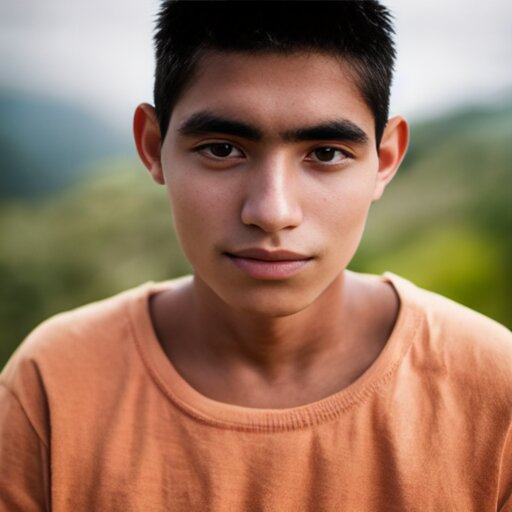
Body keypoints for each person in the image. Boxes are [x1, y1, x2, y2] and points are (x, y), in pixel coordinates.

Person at [1, 1, 511, 510]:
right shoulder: (54, 384)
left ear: (384, 160)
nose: (272, 211)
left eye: (326, 153)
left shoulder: (494, 390)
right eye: (222, 149)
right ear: (153, 146)